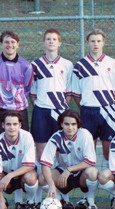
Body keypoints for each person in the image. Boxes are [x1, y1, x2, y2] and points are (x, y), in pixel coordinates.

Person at [67, 29, 115, 165]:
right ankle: (90, 181)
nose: (95, 44)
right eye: (92, 41)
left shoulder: (112, 63)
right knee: (88, 149)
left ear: (103, 43)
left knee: (109, 150)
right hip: (87, 111)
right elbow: (77, 94)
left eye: (98, 41)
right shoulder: (80, 65)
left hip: (108, 111)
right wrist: (87, 105)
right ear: (87, 43)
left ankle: (111, 178)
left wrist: (104, 103)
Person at [38, 109, 99, 209]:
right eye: (66, 124)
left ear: (78, 124)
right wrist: (52, 185)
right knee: (42, 178)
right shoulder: (56, 138)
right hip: (62, 174)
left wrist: (69, 169)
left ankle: (90, 202)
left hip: (81, 173)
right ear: (61, 124)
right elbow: (44, 164)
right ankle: (61, 199)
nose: (70, 127)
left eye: (73, 124)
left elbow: (90, 161)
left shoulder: (85, 135)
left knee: (92, 172)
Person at [30, 29, 74, 177]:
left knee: (61, 151)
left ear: (59, 43)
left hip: (60, 112)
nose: (51, 42)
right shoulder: (35, 65)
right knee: (41, 151)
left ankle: (62, 194)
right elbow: (33, 92)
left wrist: (63, 108)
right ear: (43, 42)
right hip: (41, 112)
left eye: (54, 39)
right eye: (48, 39)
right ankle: (36, 196)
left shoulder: (67, 64)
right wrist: (39, 106)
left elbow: (69, 91)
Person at [0, 31, 32, 145]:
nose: (10, 45)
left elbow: (27, 88)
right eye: (6, 42)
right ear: (1, 44)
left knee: (21, 147)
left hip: (18, 111)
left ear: (18, 44)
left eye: (13, 42)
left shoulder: (26, 66)